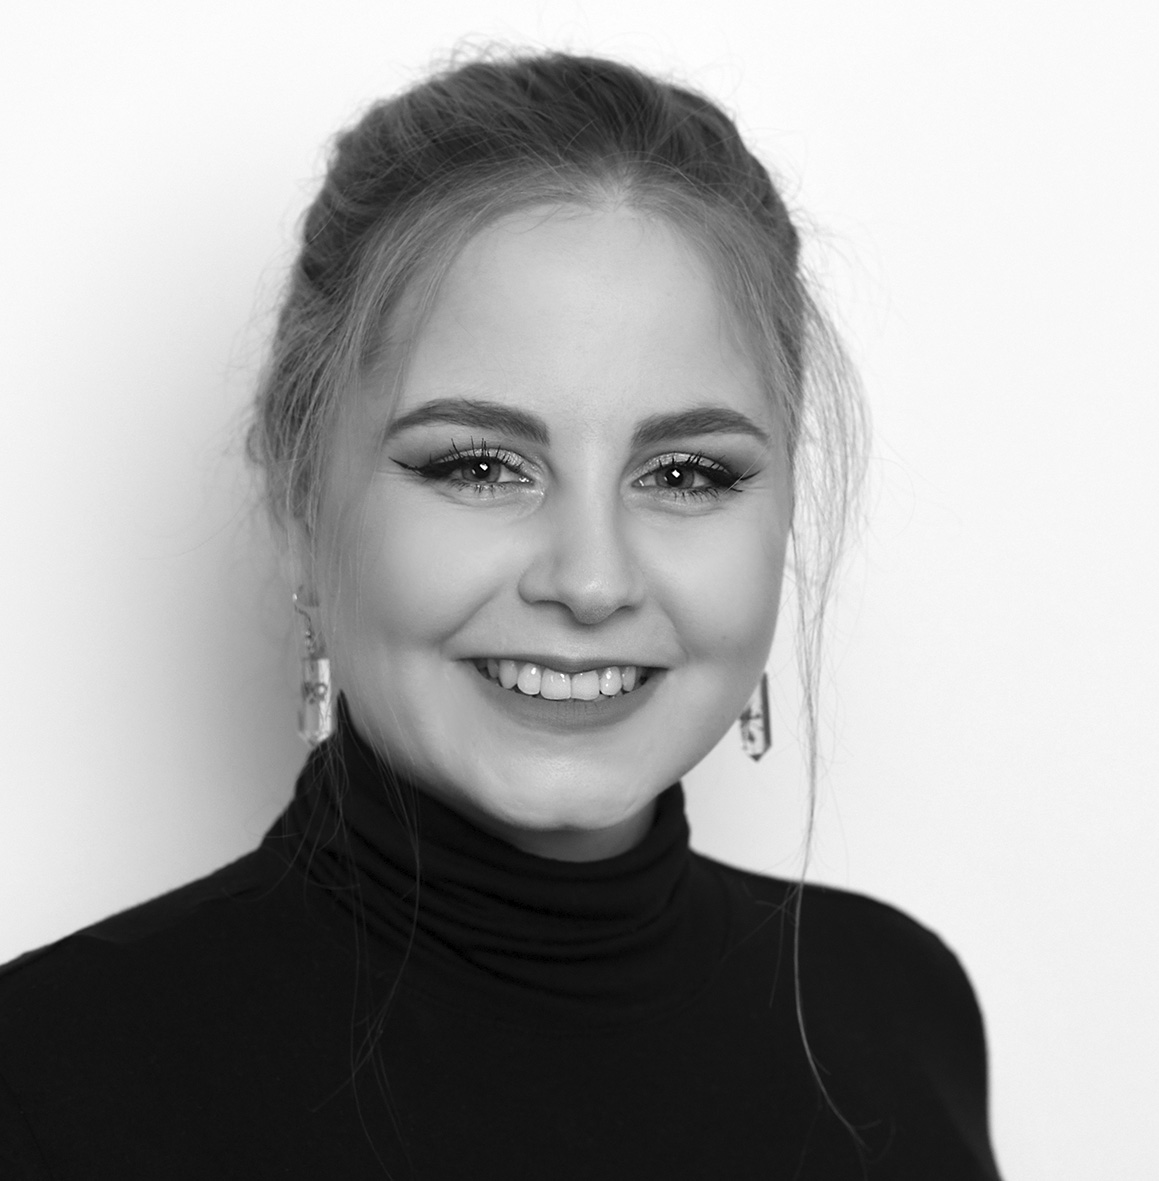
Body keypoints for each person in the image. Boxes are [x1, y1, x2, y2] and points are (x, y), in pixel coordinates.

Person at [0, 51, 1003, 1179]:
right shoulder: (43, 1080)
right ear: (297, 496)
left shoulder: (900, 1012)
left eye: (685, 474)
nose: (591, 579)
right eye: (479, 465)